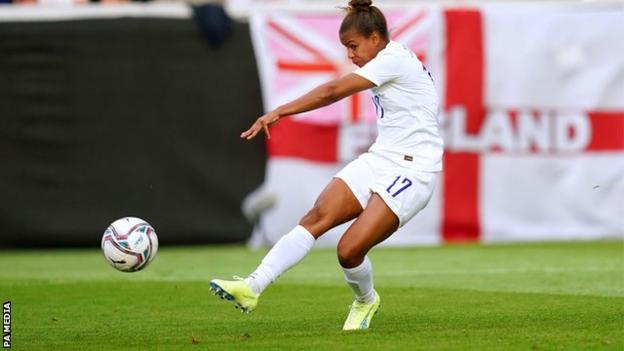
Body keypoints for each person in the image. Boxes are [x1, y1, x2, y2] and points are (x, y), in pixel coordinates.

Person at [210, 0, 443, 331]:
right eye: (346, 47)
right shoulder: (390, 57)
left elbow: (334, 90)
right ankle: (252, 287)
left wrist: (279, 111)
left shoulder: (393, 60)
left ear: (375, 38)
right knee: (316, 217)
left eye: (353, 46)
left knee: (348, 251)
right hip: (381, 158)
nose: (349, 55)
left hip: (414, 171)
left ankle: (366, 300)